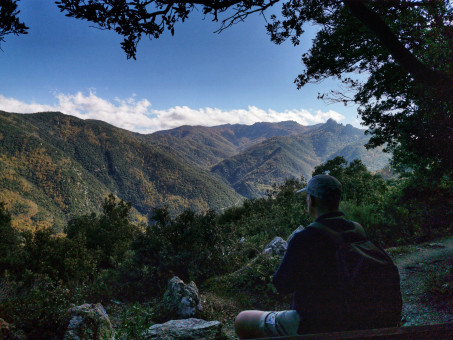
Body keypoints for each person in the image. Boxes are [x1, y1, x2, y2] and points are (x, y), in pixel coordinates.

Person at [235, 174, 371, 338]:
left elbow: (281, 285)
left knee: (242, 319)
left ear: (312, 201)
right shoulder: (358, 230)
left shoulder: (304, 238)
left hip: (314, 324)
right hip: (356, 316)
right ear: (337, 200)